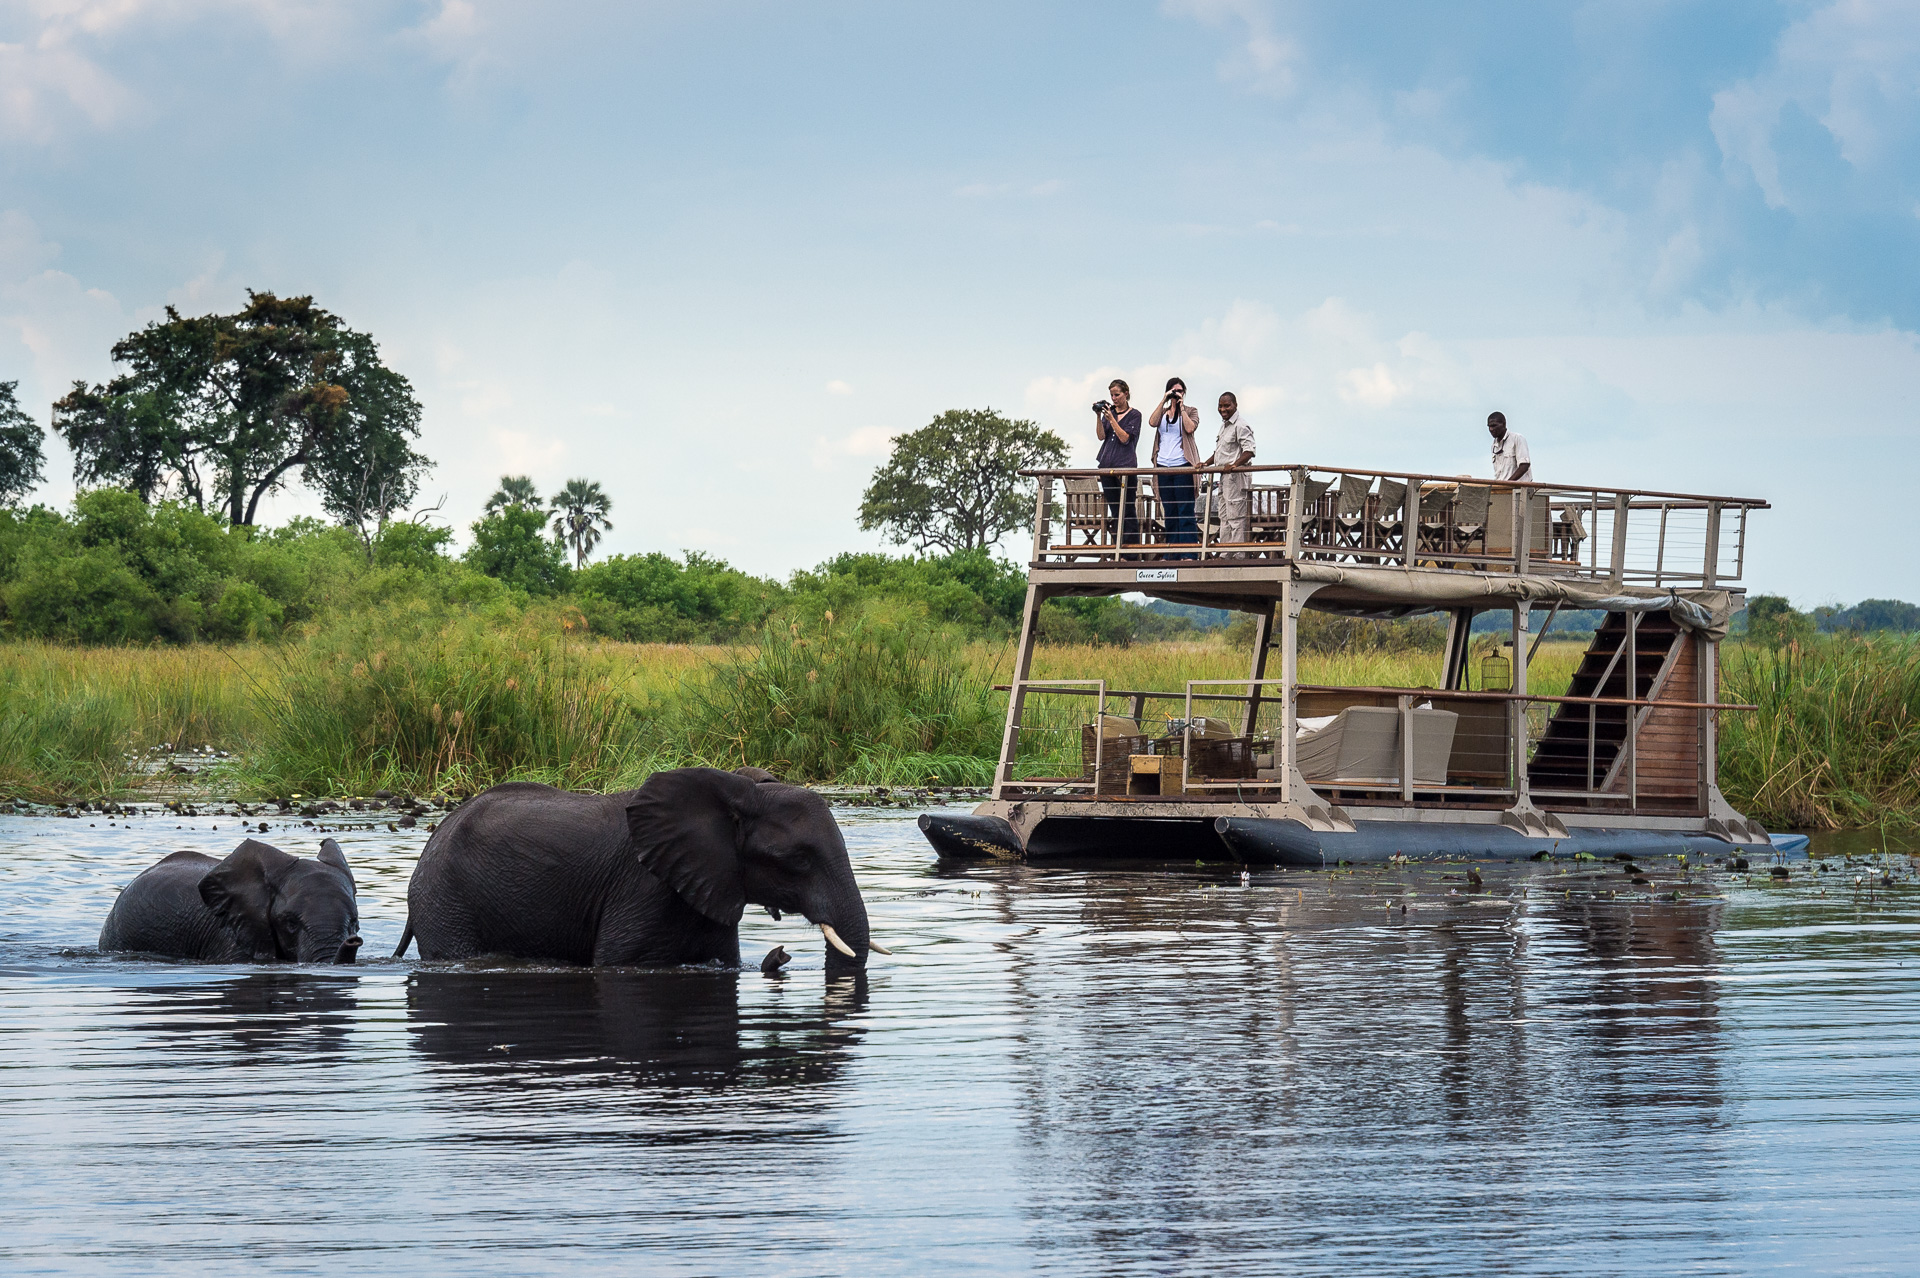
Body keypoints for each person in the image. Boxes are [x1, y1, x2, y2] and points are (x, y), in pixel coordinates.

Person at [1149, 377, 1201, 555]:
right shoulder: (1162, 413)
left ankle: (1188, 553)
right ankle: (1171, 552)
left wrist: (1181, 408)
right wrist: (1164, 400)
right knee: (1169, 511)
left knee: (1185, 510)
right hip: (1163, 466)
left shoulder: (1191, 410)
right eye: (1173, 390)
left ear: (1184, 393)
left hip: (1182, 466)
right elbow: (1152, 422)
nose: (1176, 394)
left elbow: (1189, 428)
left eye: (1179, 391)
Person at [1093, 380, 1142, 554]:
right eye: (1111, 395)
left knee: (1127, 509)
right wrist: (1099, 416)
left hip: (1125, 466)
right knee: (1115, 510)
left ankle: (1131, 553)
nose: (1114, 399)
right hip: (1107, 466)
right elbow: (1101, 436)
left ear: (1126, 393)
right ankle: (1118, 549)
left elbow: (1125, 438)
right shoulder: (1109, 413)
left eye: (1117, 395)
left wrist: (1112, 420)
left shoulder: (1135, 415)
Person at [1208, 391, 1256, 551]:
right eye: (1220, 406)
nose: (1223, 409)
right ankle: (1225, 551)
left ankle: (1238, 553)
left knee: (1236, 516)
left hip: (1236, 478)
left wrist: (1234, 465)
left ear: (1235, 405)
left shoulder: (1241, 425)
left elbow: (1249, 451)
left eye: (1227, 405)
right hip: (1223, 477)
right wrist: (1206, 463)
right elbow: (1220, 453)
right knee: (1224, 515)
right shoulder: (1224, 426)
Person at [1488, 411, 1531, 482]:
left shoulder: (1517, 438)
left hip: (1518, 488)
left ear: (1504, 424)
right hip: (1502, 488)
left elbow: (1524, 465)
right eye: (1489, 426)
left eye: (1494, 425)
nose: (1491, 429)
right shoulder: (1494, 446)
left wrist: (1508, 483)